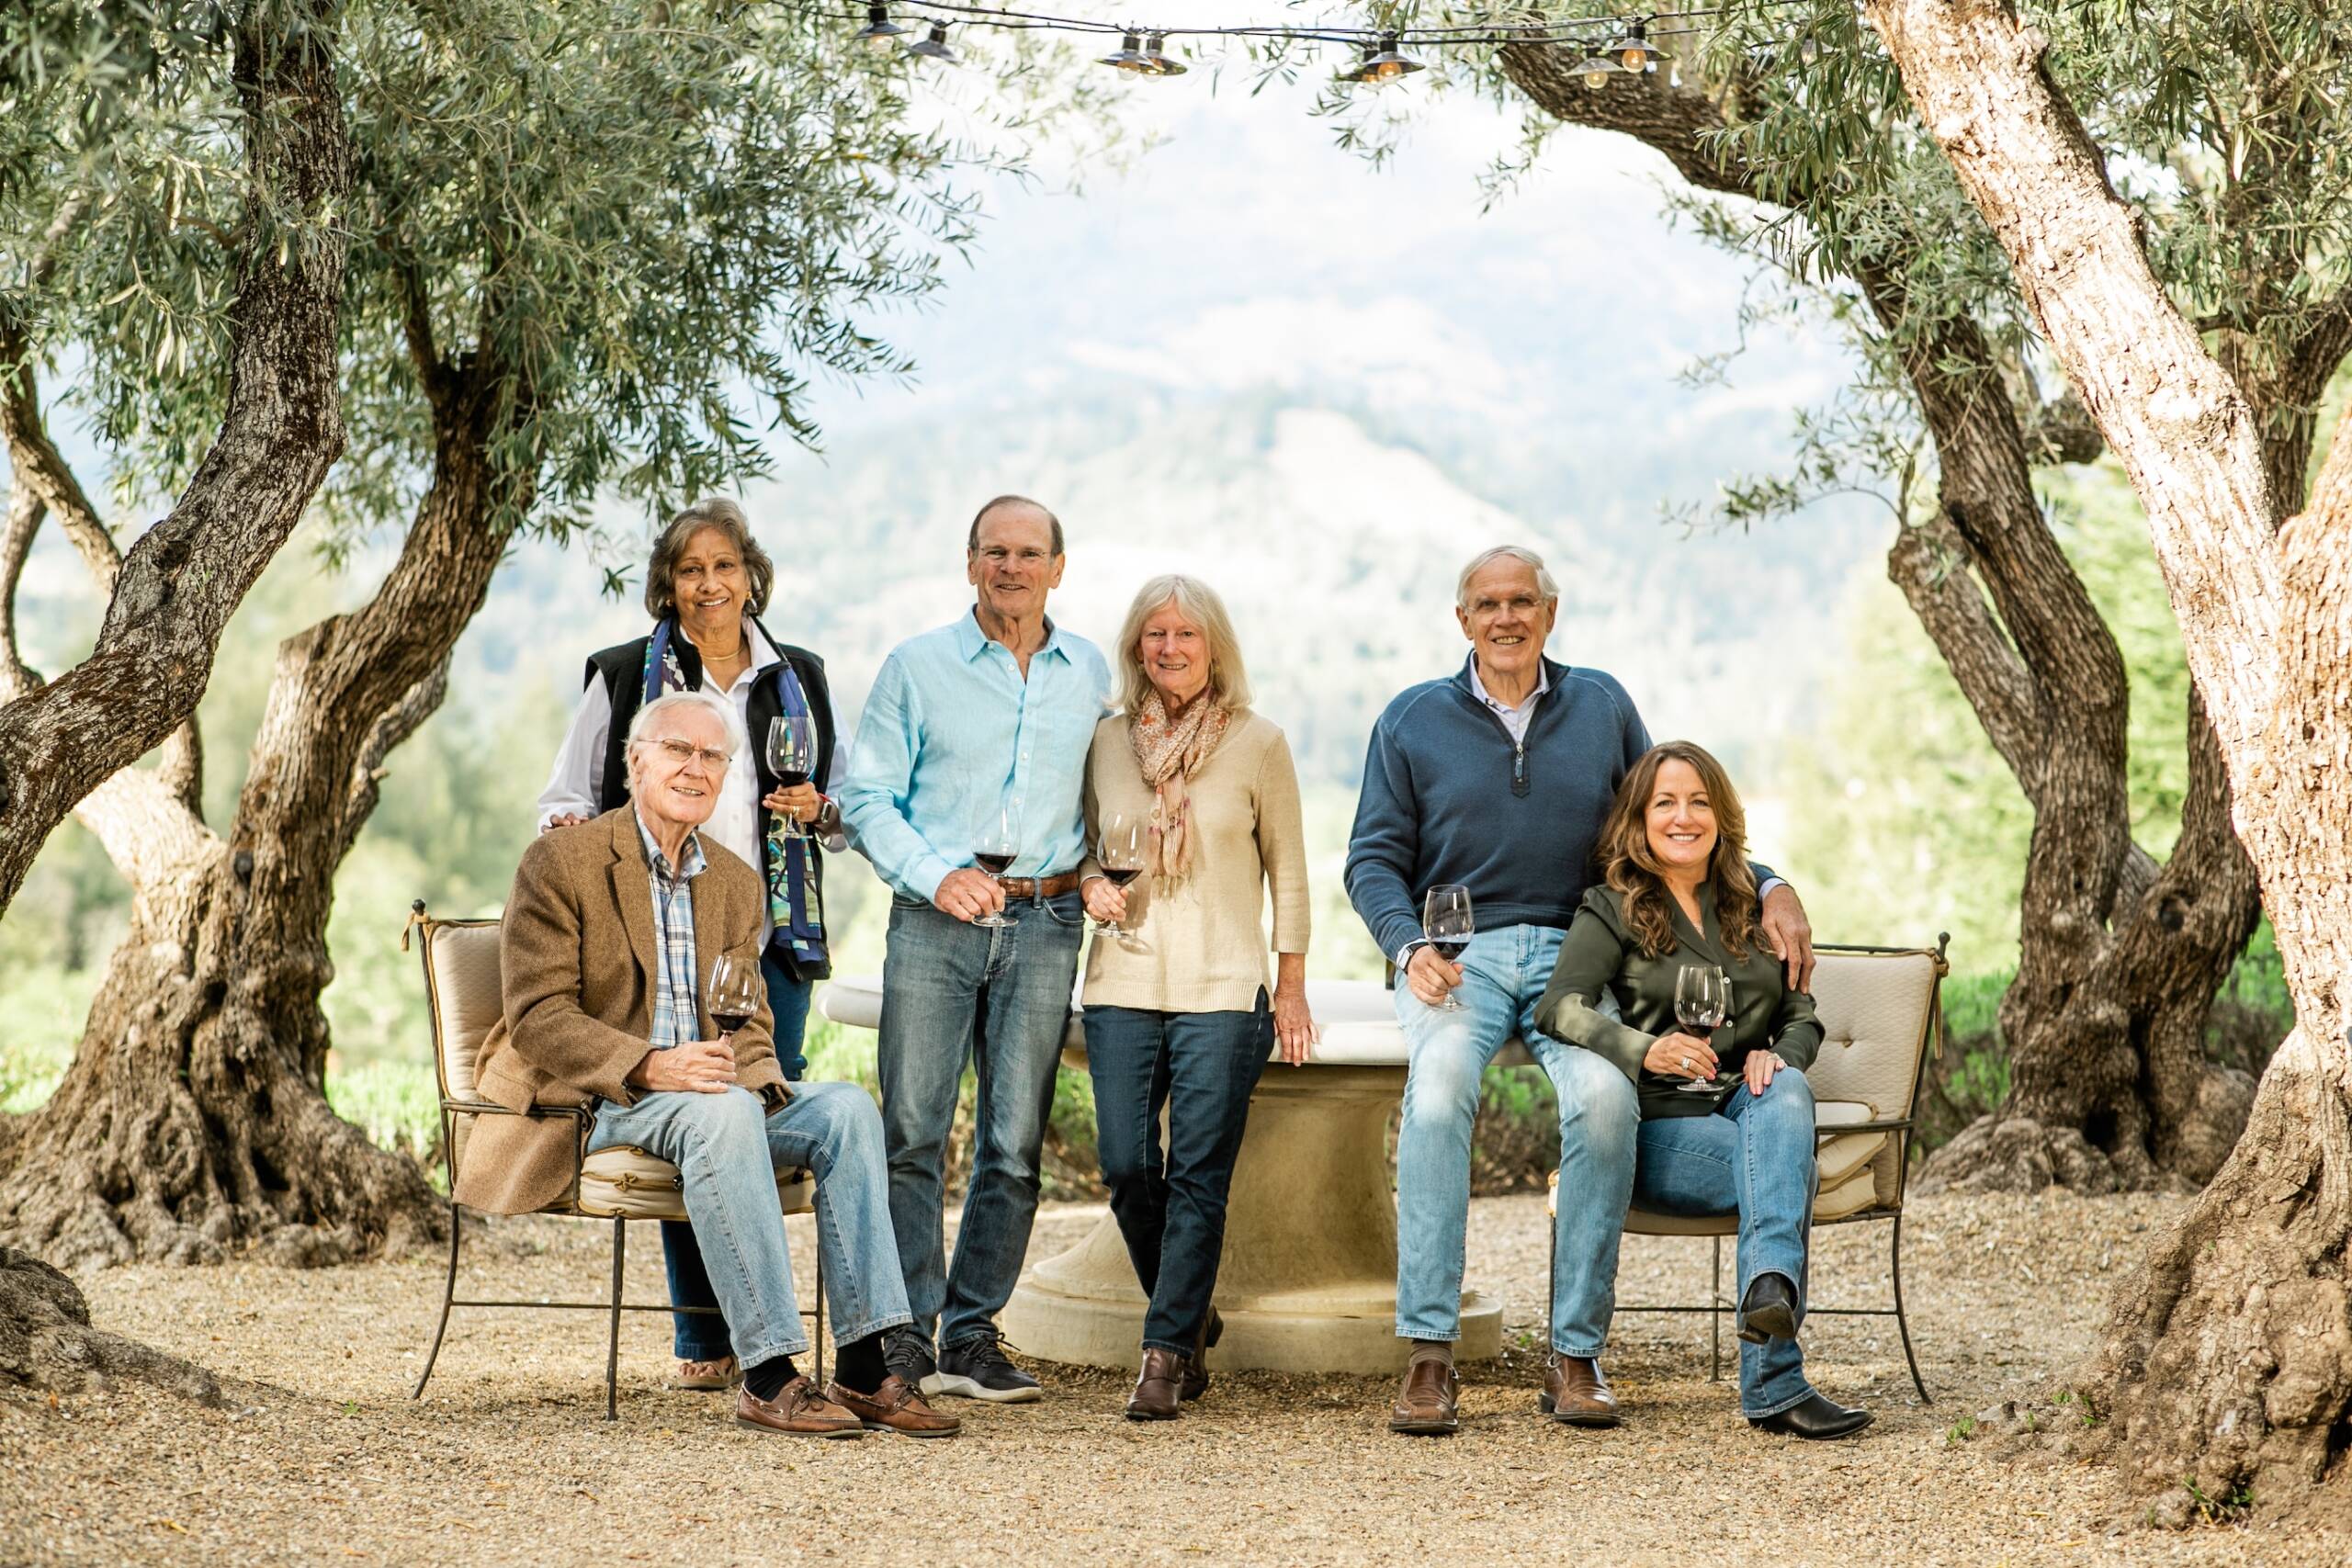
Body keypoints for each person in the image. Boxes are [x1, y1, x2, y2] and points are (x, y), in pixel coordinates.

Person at [1345, 544, 1816, 1438]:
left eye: (1522, 601)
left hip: (1583, 951)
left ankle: (1574, 1356)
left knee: (1604, 1099)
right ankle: (1428, 1355)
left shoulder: (1599, 705)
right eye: (1487, 603)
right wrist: (1407, 945)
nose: (1506, 617)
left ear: (1549, 614)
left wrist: (1770, 881)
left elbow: (1672, 819)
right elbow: (1371, 859)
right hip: (1458, 955)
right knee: (1439, 1089)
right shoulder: (1410, 719)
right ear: (1462, 621)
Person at [460, 690, 957, 1438]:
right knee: (721, 1111)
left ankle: (862, 1366)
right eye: (677, 749)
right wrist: (652, 1063)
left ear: (728, 774)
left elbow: (749, 1019)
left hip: (706, 1093)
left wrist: (753, 1079)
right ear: (636, 760)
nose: (695, 767)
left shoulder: (733, 879)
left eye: (712, 756)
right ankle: (766, 1376)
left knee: (847, 1108)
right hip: (600, 1094)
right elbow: (538, 1018)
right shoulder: (560, 861)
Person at [536, 498, 849, 1393]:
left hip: (768, 936)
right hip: (654, 926)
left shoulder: (803, 678)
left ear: (752, 575)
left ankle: (753, 1327)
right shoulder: (625, 674)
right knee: (689, 1103)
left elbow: (845, 807)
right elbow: (561, 800)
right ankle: (701, 1337)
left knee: (752, 1115)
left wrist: (821, 810)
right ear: (665, 589)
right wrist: (599, 855)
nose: (709, 585)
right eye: (689, 571)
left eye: (724, 567)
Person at [838, 496, 1113, 1403]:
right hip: (933, 917)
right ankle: (905, 1338)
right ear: (969, 565)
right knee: (912, 1133)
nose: (1011, 567)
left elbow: (1111, 792)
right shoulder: (915, 667)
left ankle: (972, 1335)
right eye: (995, 551)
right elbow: (867, 797)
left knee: (1014, 1143)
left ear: (1056, 569)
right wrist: (933, 874)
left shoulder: (1088, 673)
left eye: (1029, 553)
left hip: (1045, 922)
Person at [1535, 741, 1870, 1439]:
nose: (1683, 816)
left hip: (1746, 1107)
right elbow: (1560, 1006)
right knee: (1781, 1158)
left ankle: (1767, 1291)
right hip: (1657, 1130)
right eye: (1665, 802)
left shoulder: (1752, 903)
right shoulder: (1613, 906)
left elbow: (1801, 1013)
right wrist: (1644, 1047)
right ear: (1640, 818)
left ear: (1721, 815)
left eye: (1699, 801)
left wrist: (1778, 1056)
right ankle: (1777, 1382)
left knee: (1786, 1096)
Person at [1076, 575, 1317, 1420]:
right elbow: (1082, 846)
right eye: (1154, 634)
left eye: (1185, 634)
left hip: (1224, 984)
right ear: (1136, 647)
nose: (1169, 648)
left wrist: (1289, 987)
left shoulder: (1258, 741)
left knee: (1198, 1176)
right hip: (1123, 978)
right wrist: (1086, 884)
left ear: (1215, 646)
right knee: (1127, 1166)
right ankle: (1190, 1311)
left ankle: (1164, 1352)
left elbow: (1290, 870)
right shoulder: (1107, 740)